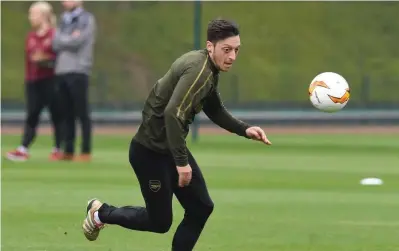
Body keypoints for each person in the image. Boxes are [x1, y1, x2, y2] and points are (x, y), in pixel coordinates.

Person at [81, 19, 272, 250]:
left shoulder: (207, 68)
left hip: (169, 148)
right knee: (159, 222)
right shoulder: (200, 71)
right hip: (150, 152)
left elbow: (215, 109)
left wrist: (244, 129)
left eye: (236, 50)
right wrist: (182, 164)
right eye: (227, 50)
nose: (232, 56)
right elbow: (173, 113)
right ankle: (101, 213)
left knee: (201, 207)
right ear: (210, 46)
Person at [6, 1, 63, 162]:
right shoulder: (30, 36)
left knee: (56, 114)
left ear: (43, 16)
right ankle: (23, 148)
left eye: (33, 14)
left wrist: (45, 59)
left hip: (50, 80)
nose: (30, 17)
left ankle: (58, 148)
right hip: (33, 80)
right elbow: (32, 56)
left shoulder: (54, 34)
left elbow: (57, 58)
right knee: (32, 114)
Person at [52, 0, 96, 162]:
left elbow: (78, 41)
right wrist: (68, 39)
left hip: (79, 70)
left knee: (82, 112)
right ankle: (68, 150)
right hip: (62, 70)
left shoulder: (87, 19)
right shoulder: (63, 19)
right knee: (66, 112)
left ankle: (85, 150)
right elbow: (55, 41)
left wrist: (65, 40)